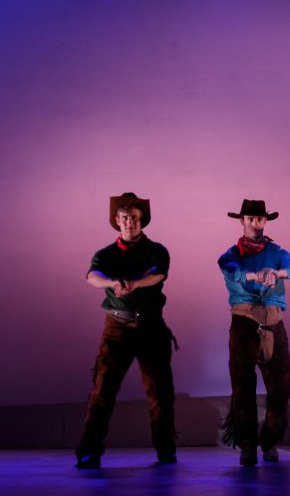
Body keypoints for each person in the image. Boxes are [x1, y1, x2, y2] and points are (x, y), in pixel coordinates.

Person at [75, 192, 177, 469]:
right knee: (102, 391)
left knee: (160, 392)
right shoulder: (105, 254)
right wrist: (112, 283)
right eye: (124, 218)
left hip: (151, 327)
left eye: (133, 217)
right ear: (117, 221)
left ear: (141, 221)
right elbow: (92, 276)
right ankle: (89, 451)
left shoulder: (157, 250)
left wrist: (134, 284)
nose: (129, 222)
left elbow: (158, 273)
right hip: (117, 328)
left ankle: (166, 450)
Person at [218, 199, 290, 467]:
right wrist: (257, 275)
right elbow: (232, 271)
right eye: (250, 218)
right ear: (242, 221)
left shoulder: (276, 251)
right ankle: (248, 445)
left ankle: (270, 440)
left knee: (281, 390)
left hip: (274, 321)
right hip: (244, 321)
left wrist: (276, 272)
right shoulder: (231, 254)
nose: (255, 223)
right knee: (242, 388)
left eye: (260, 218)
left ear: (266, 221)